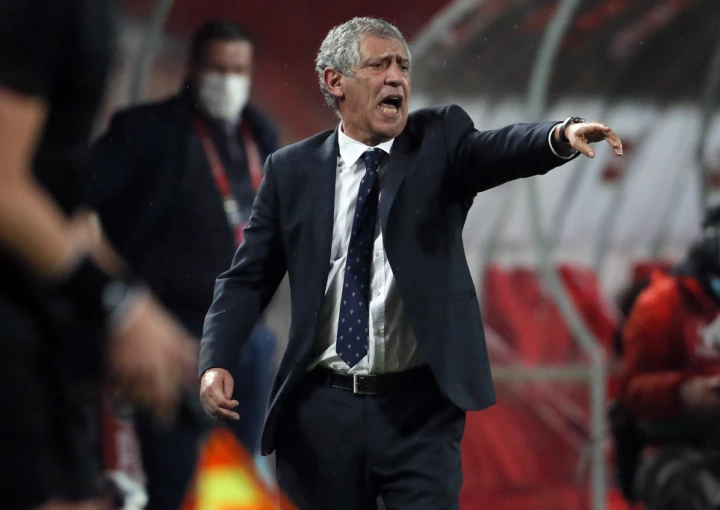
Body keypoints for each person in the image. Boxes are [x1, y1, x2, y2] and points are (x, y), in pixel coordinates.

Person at [199, 16, 622, 510]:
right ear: (335, 81)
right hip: (321, 411)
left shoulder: (438, 141)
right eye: (379, 65)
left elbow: (494, 150)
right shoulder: (291, 170)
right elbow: (247, 278)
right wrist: (216, 360)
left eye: (403, 65)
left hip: (418, 413)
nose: (396, 77)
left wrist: (558, 136)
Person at [0, 1, 196, 509]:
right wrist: (119, 307)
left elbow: (58, 189)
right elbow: (3, 186)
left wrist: (141, 318)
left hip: (38, 313)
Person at [86, 19, 280, 510]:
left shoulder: (258, 134)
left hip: (245, 334)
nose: (228, 80)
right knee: (173, 474)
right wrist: (120, 297)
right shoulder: (146, 131)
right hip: (172, 331)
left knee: (236, 471)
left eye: (239, 70)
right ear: (192, 69)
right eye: (218, 68)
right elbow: (79, 200)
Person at [620, 200, 720, 509]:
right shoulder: (664, 302)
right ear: (712, 244)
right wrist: (683, 392)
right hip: (677, 452)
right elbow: (632, 391)